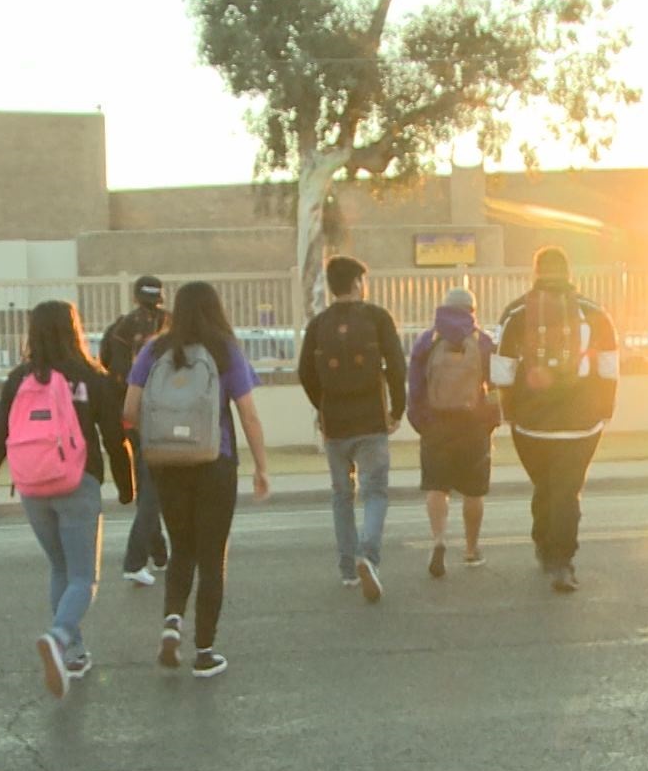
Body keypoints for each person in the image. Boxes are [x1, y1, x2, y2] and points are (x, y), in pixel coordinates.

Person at [0, 301, 135, 697]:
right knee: (83, 577)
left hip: (32, 487)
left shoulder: (20, 378)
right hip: (78, 483)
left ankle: (73, 656)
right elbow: (115, 436)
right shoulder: (91, 376)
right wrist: (128, 488)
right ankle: (59, 637)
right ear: (73, 328)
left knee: (61, 569)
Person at [124, 281, 271, 678]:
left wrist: (160, 442)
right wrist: (261, 466)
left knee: (181, 548)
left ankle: (172, 621)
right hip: (215, 462)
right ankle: (204, 651)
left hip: (167, 466)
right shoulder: (225, 350)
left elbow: (129, 410)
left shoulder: (154, 351)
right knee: (212, 555)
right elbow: (249, 416)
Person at [493, 246, 620, 593]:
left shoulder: (516, 313)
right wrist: (604, 410)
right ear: (569, 272)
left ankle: (543, 543)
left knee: (545, 484)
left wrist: (509, 412)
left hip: (531, 424)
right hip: (581, 423)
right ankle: (562, 562)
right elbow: (609, 367)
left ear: (536, 272)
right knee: (567, 489)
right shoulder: (594, 313)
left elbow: (502, 371)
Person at [297, 255, 406, 603]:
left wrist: (322, 406)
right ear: (358, 282)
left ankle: (347, 568)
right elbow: (397, 367)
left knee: (342, 495)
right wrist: (397, 409)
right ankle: (368, 555)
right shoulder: (376, 318)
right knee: (375, 491)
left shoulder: (318, 325)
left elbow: (305, 373)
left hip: (336, 425)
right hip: (371, 420)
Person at [406, 287, 499, 578]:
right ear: (472, 310)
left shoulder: (426, 340)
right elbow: (495, 387)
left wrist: (423, 423)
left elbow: (415, 389)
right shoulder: (483, 342)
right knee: (474, 491)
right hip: (473, 426)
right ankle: (471, 550)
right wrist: (490, 421)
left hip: (436, 425)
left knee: (437, 487)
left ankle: (439, 540)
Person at [101, 274, 170, 586]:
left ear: (134, 296)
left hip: (130, 413)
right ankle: (139, 557)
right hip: (166, 414)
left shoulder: (122, 327)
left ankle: (159, 552)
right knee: (153, 487)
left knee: (147, 481)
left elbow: (112, 370)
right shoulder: (173, 325)